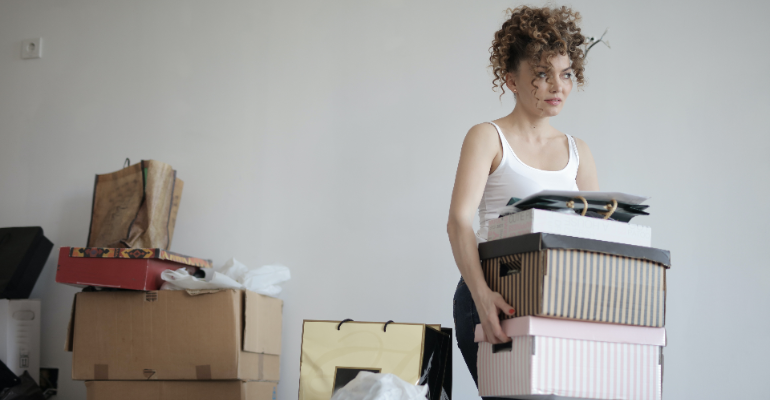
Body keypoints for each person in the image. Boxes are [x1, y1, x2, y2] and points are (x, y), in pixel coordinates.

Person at [447, 5, 600, 395]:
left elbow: (593, 238)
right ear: (511, 80)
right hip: (494, 293)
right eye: (542, 75)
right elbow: (459, 222)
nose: (558, 86)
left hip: (559, 299)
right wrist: (481, 297)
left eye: (566, 74)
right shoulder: (486, 137)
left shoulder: (578, 150)